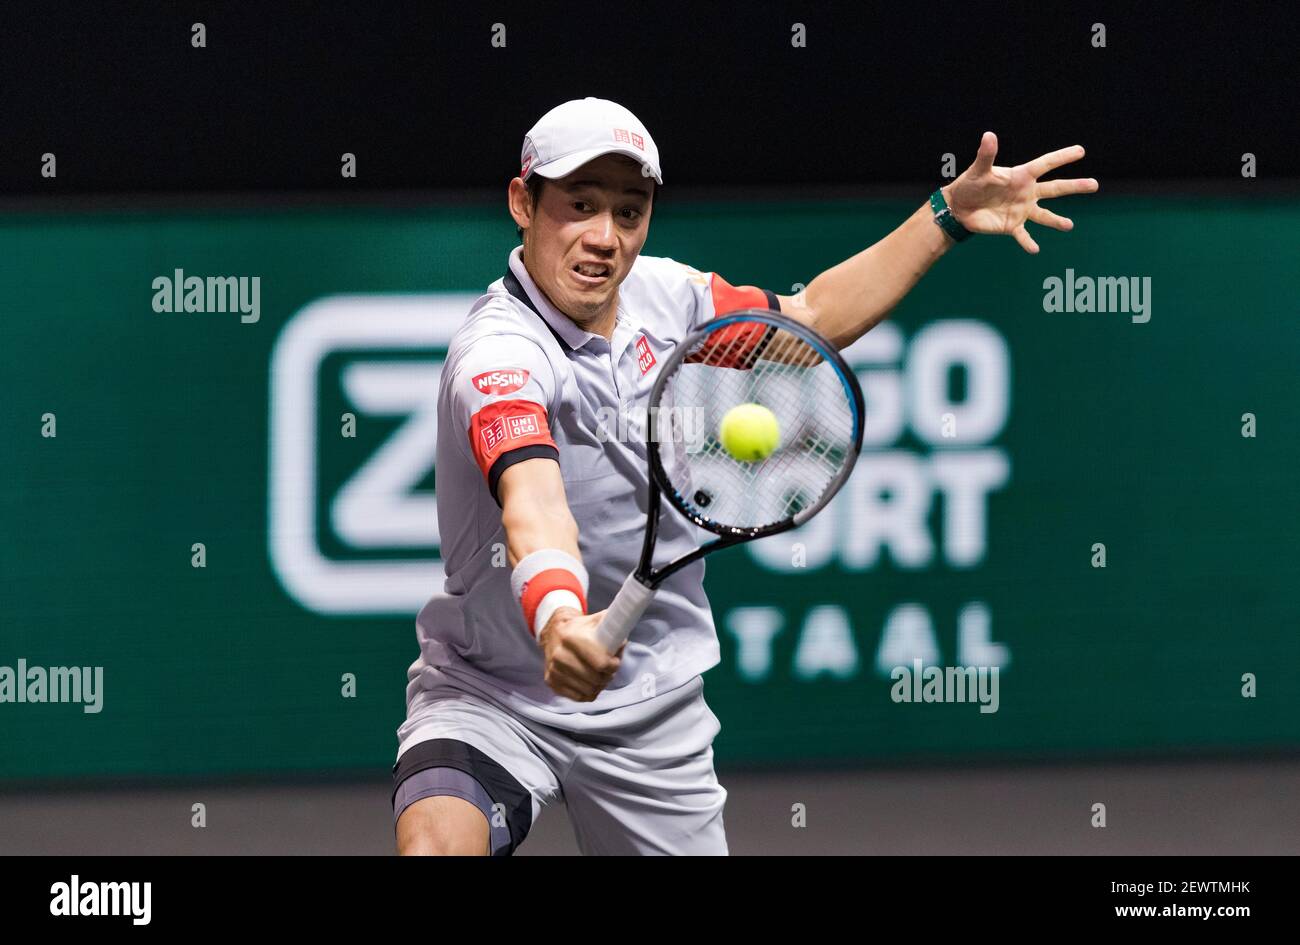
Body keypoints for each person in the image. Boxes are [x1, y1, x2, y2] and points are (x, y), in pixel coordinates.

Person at [392, 96, 1097, 855]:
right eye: (580, 206)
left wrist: (946, 215)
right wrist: (561, 620)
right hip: (489, 691)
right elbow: (533, 497)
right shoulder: (499, 355)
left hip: (649, 712)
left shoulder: (671, 300)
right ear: (522, 203)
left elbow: (812, 320)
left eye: (629, 212)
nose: (605, 238)